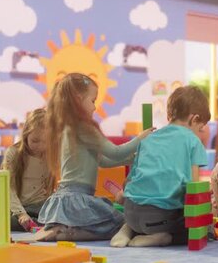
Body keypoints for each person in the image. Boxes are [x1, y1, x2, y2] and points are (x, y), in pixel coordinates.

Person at [36, 73, 154, 241]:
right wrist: (140, 138)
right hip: (77, 198)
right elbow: (115, 152)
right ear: (78, 99)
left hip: (65, 197)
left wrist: (131, 159)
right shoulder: (84, 128)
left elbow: (103, 161)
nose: (95, 107)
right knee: (117, 223)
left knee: (108, 223)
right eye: (92, 101)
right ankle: (69, 233)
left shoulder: (67, 128)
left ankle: (63, 229)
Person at [110, 86, 210, 247]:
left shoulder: (148, 138)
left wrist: (122, 196)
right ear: (194, 119)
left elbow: (129, 180)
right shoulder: (193, 141)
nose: (199, 133)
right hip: (159, 220)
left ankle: (126, 230)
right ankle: (162, 238)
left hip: (130, 212)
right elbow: (194, 189)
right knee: (200, 228)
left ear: (170, 115)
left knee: (142, 212)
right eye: (200, 128)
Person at [2, 108, 55, 231]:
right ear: (26, 134)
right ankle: (35, 224)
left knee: (60, 214)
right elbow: (9, 189)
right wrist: (21, 213)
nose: (40, 146)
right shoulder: (13, 153)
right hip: (17, 208)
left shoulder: (49, 154)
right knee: (3, 221)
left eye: (46, 142)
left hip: (39, 207)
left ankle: (37, 223)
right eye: (35, 141)